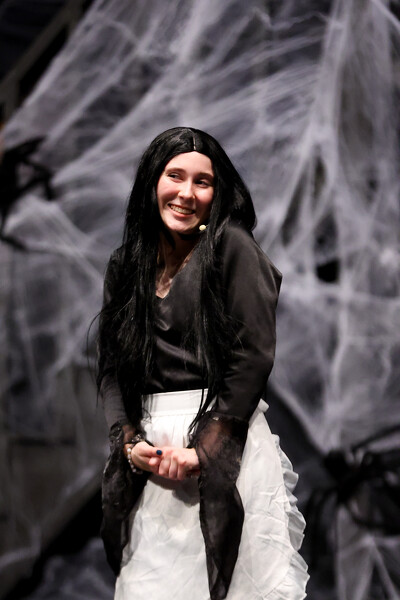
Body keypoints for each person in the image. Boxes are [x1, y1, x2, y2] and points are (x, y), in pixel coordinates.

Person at [97, 127, 308, 600]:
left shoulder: (232, 248)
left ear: (218, 192)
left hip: (221, 442)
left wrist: (207, 451)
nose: (187, 193)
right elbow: (111, 369)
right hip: (152, 457)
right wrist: (129, 443)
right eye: (175, 176)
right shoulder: (126, 265)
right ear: (153, 181)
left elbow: (252, 354)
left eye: (203, 181)